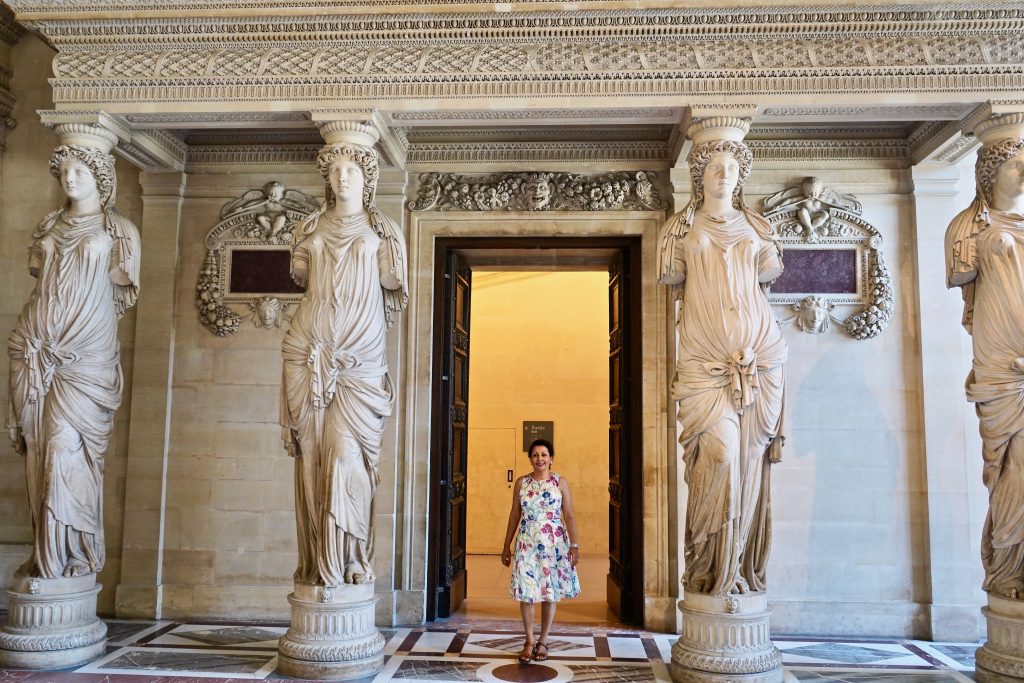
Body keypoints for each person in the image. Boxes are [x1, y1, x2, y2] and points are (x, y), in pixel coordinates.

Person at [657, 137, 787, 597]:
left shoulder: (757, 226)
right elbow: (672, 277)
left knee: (749, 467)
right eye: (714, 166)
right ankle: (708, 567)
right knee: (720, 455)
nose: (723, 173)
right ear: (699, 175)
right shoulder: (680, 228)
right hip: (703, 364)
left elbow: (767, 275)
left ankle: (736, 575)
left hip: (761, 361)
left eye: (731, 166)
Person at [7, 143, 140, 579]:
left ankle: (72, 553)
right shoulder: (48, 223)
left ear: (100, 176)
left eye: (80, 170)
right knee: (38, 449)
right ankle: (46, 556)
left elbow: (122, 293)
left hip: (85, 353)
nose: (70, 178)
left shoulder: (118, 229)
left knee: (67, 448)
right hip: (34, 343)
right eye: (64, 171)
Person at [280, 142, 408, 587]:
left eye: (352, 169)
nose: (342, 177)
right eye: (334, 170)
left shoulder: (384, 230)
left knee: (347, 457)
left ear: (367, 177)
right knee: (313, 461)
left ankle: (351, 556)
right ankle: (318, 564)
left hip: (360, 361)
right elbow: (301, 280)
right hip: (307, 351)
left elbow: (392, 284)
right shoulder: (309, 226)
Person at [946, 135, 1024, 599]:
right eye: (1015, 165)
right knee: (1010, 463)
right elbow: (962, 274)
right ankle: (1007, 565)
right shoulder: (967, 228)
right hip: (1000, 359)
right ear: (990, 173)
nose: (1023, 174)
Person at [501, 438, 581, 664]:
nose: (540, 459)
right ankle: (528, 641)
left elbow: (570, 515)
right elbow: (514, 515)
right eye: (535, 455)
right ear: (530, 459)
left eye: (544, 454)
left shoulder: (560, 483)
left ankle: (543, 640)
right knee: (527, 592)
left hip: (554, 545)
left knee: (549, 592)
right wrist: (506, 545)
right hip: (527, 543)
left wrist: (574, 545)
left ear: (551, 458)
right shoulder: (521, 483)